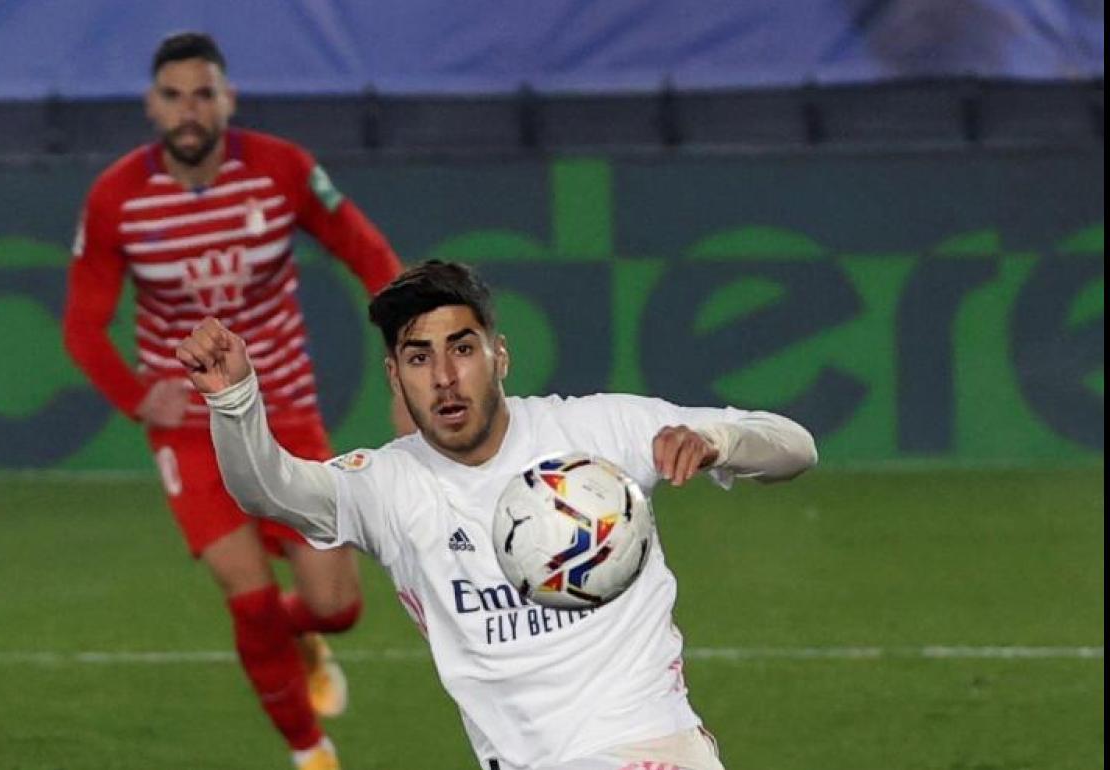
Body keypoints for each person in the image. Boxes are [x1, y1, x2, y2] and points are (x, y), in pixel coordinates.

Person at [174, 260, 818, 770]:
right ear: (394, 377)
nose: (445, 378)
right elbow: (271, 490)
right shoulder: (390, 486)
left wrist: (720, 443)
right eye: (420, 357)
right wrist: (235, 400)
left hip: (646, 750)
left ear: (499, 356)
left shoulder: (600, 430)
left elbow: (795, 446)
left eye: (463, 349)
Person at [62, 31, 402, 770]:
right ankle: (310, 751)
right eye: (175, 96)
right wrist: (134, 397)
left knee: (336, 606)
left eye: (204, 94)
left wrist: (413, 333)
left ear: (228, 100)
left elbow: (366, 251)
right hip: (191, 428)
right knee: (246, 598)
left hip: (285, 410)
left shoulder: (282, 170)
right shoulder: (117, 197)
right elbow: (82, 326)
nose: (191, 111)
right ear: (153, 107)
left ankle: (302, 636)